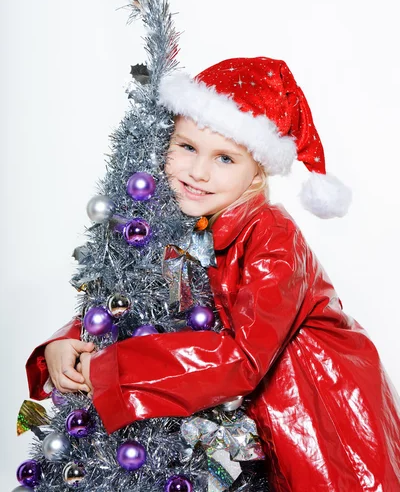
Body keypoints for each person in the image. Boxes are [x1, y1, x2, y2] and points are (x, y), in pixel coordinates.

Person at [26, 57, 400, 491]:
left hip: (318, 410)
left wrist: (112, 371)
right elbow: (142, 300)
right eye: (187, 147)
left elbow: (244, 357)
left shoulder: (272, 236)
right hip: (243, 423)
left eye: (224, 157)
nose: (198, 172)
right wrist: (67, 341)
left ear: (257, 170)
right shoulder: (173, 222)